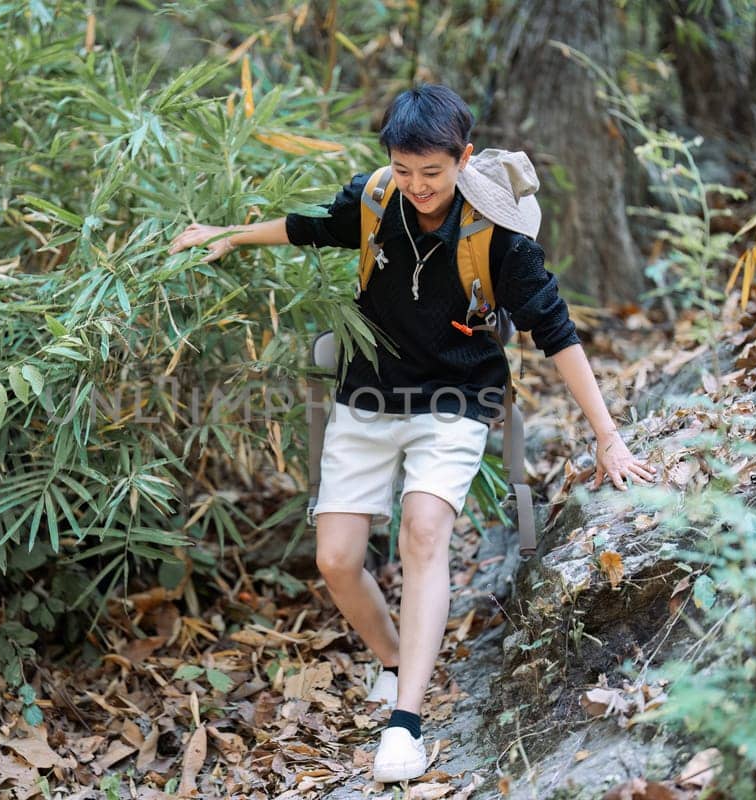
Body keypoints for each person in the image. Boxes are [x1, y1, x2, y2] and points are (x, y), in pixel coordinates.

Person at [167, 84, 654, 784]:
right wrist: (224, 237)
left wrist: (607, 435)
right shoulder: (373, 201)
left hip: (455, 399)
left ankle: (407, 720)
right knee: (336, 560)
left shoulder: (499, 234)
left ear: (462, 158)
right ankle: (399, 661)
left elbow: (556, 332)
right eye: (405, 171)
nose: (419, 187)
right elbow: (309, 226)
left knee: (423, 532)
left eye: (433, 172)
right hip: (366, 398)